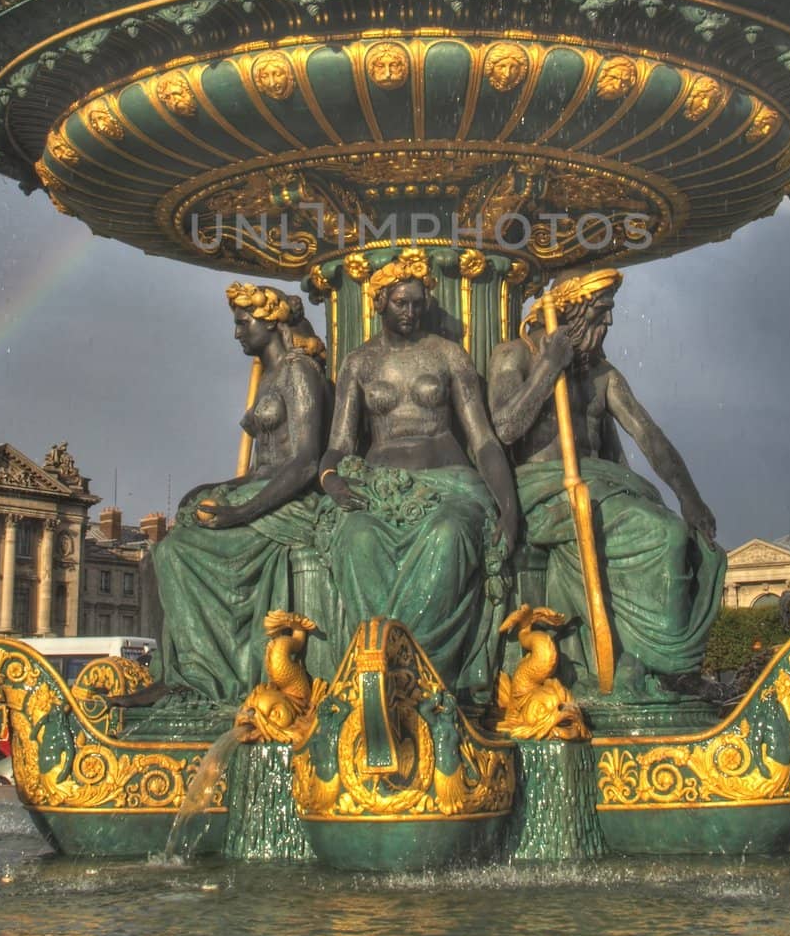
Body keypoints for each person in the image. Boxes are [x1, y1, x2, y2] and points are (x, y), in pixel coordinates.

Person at [486, 268, 726, 700]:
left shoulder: (602, 375)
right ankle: (666, 664)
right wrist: (547, 369)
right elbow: (505, 427)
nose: (609, 323)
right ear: (573, 311)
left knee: (686, 535)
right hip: (542, 492)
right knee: (665, 534)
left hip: (598, 489)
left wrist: (690, 497)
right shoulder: (514, 356)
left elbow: (649, 437)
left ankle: (656, 660)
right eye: (602, 312)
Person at [319, 248, 517, 689]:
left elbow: (483, 439)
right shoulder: (359, 362)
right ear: (378, 302)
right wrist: (330, 480)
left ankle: (423, 675)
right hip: (379, 487)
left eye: (416, 302)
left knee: (449, 536)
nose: (410, 312)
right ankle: (376, 665)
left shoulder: (448, 355)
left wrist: (509, 508)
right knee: (357, 538)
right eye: (399, 303)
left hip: (450, 482)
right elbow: (339, 445)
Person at [148, 284, 332, 705]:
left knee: (175, 553)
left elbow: (305, 461)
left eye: (241, 323)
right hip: (263, 489)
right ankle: (186, 670)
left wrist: (242, 512)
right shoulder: (268, 376)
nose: (237, 334)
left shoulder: (299, 372)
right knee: (176, 536)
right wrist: (215, 488)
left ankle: (204, 677)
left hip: (290, 503)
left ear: (270, 321)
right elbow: (257, 467)